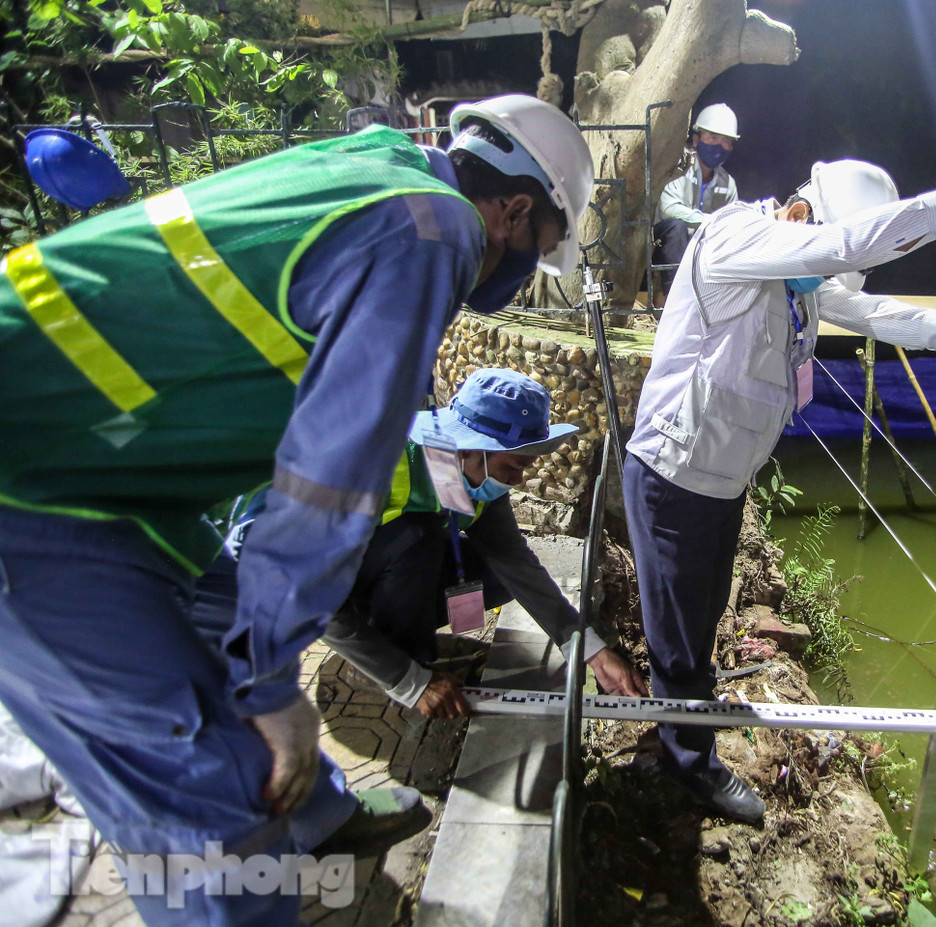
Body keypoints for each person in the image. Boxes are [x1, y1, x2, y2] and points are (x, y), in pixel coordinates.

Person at [0, 94, 593, 924]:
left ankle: (319, 817)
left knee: (220, 603)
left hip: (105, 472)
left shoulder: (387, 168)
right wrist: (270, 678)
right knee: (207, 810)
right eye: (536, 249)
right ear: (516, 209)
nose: (524, 268)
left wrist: (582, 637)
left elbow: (500, 548)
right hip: (30, 486)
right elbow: (327, 481)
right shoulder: (435, 233)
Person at [623, 119, 936, 823]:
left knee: (696, 623)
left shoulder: (798, 284)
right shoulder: (739, 237)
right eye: (823, 252)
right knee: (676, 637)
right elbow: (845, 246)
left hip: (720, 480)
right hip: (672, 476)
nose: (826, 276)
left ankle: (686, 718)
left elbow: (874, 310)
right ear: (801, 212)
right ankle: (687, 766)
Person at [226, 369, 648, 720]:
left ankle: (398, 641)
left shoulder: (458, 467)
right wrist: (406, 680)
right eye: (514, 466)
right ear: (472, 450)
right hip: (300, 588)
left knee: (497, 576)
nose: (519, 481)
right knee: (417, 539)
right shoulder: (368, 468)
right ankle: (394, 663)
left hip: (368, 567)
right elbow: (311, 598)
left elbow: (513, 560)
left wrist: (586, 647)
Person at [651, 103, 741, 305]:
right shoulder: (677, 167)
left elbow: (731, 224)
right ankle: (674, 301)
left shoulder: (728, 184)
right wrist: (710, 221)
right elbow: (669, 210)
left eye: (726, 141)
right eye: (713, 138)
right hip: (664, 245)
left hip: (703, 252)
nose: (719, 145)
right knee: (676, 227)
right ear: (696, 139)